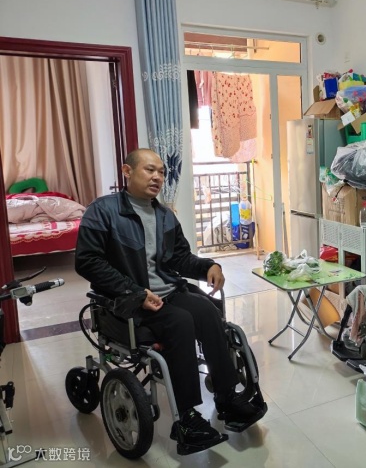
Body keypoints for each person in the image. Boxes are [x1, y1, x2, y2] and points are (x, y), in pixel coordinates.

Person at [75, 148, 264, 454]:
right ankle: (186, 418)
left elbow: (179, 258)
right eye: (150, 170)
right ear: (127, 172)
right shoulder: (102, 211)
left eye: (162, 172)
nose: (158, 177)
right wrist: (134, 292)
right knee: (180, 321)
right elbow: (87, 262)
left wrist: (208, 266)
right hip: (130, 301)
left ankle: (227, 397)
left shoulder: (164, 215)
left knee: (208, 311)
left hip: (169, 292)